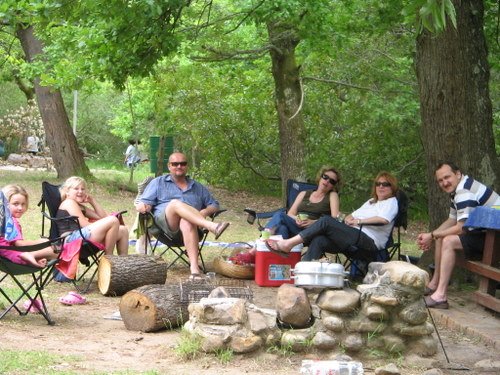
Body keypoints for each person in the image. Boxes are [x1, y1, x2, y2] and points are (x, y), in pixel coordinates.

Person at [265, 172, 399, 265]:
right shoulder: (371, 201)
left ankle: (288, 244)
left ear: (392, 187)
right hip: (350, 235)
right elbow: (351, 215)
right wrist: (349, 219)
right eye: (378, 183)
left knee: (326, 221)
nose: (381, 186)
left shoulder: (391, 202)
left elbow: (383, 220)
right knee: (319, 240)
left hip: (368, 242)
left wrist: (358, 221)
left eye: (385, 184)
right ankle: (304, 273)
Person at [417, 162, 500, 309]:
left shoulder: (464, 192)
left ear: (458, 174)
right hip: (489, 236)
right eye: (440, 180)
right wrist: (432, 235)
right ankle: (434, 284)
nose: (444, 182)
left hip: (495, 241)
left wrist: (433, 235)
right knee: (442, 237)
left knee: (448, 240)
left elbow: (460, 229)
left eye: (447, 177)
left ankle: (440, 296)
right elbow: (452, 220)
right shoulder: (457, 190)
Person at [135, 152, 230, 279]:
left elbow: (214, 204)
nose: (179, 166)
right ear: (169, 166)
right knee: (175, 203)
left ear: (187, 166)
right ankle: (212, 226)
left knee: (187, 221)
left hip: (192, 230)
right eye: (175, 164)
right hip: (166, 228)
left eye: (183, 163)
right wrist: (143, 206)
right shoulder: (158, 182)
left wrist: (204, 212)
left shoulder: (197, 187)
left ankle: (195, 270)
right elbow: (144, 203)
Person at [57, 176, 129, 256]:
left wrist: (92, 201)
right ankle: (108, 257)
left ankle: (123, 264)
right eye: (76, 189)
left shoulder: (79, 206)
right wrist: (104, 228)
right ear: (67, 191)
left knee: (123, 230)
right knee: (113, 220)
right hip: (71, 240)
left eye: (83, 189)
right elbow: (85, 225)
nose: (80, 191)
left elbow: (102, 217)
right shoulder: (69, 203)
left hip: (82, 235)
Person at [263, 166, 341, 238]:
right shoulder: (303, 193)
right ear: (320, 177)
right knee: (281, 229)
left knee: (280, 215)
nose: (327, 181)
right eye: (325, 177)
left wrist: (313, 222)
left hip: (313, 230)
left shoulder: (332, 195)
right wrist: (297, 219)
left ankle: (261, 240)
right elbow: (290, 213)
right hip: (295, 226)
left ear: (334, 186)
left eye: (332, 181)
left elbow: (334, 218)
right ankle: (278, 251)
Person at [0, 184, 57, 267]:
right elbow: (19, 244)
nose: (20, 208)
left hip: (4, 258)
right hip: (13, 256)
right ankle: (32, 255)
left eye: (23, 204)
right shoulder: (10, 221)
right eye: (16, 204)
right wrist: (40, 242)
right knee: (56, 252)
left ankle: (34, 257)